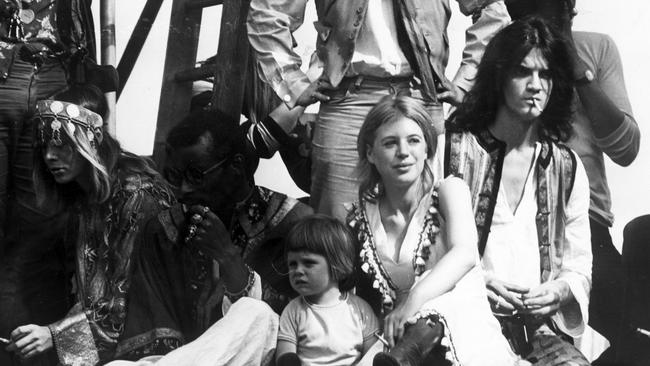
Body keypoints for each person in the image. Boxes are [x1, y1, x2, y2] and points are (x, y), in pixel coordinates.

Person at [247, 0, 512, 219]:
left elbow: (492, 11)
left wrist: (466, 82)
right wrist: (292, 82)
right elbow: (268, 13)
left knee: (424, 226)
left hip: (420, 96)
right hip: (348, 100)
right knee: (336, 230)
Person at [444, 17, 592, 365]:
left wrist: (559, 291)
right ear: (498, 77)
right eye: (522, 72)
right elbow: (423, 249)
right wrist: (477, 283)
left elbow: (578, 265)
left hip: (538, 331)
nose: (535, 85)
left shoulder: (566, 166)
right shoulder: (451, 151)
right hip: (463, 322)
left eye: (546, 75)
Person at [115, 108, 313, 364]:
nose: (184, 190)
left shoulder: (292, 227)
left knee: (255, 313)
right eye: (175, 176)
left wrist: (228, 257)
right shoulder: (163, 230)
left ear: (236, 166)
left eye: (196, 175)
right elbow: (153, 326)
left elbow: (288, 327)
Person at [504, 1, 641, 362]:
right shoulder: (506, 56)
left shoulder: (596, 48)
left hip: (587, 224)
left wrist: (576, 67)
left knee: (613, 307)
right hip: (516, 224)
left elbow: (626, 150)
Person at [3, 85, 174, 365]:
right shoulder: (85, 195)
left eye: (61, 144)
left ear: (89, 141)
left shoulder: (137, 194)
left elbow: (122, 305)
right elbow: (93, 299)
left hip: (150, 340)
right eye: (45, 144)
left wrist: (53, 336)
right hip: (106, 337)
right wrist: (50, 336)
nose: (49, 156)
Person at [347, 95, 521, 366]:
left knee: (449, 290)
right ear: (370, 153)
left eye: (414, 140)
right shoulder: (361, 217)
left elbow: (465, 254)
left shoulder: (449, 191)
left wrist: (412, 301)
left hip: (462, 337)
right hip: (394, 343)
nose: (404, 152)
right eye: (390, 143)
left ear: (428, 148)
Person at [276, 214, 380, 366]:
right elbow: (285, 354)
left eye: (308, 263)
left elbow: (372, 353)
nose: (298, 270)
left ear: (336, 264)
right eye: (292, 264)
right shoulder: (294, 311)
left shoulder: (360, 310)